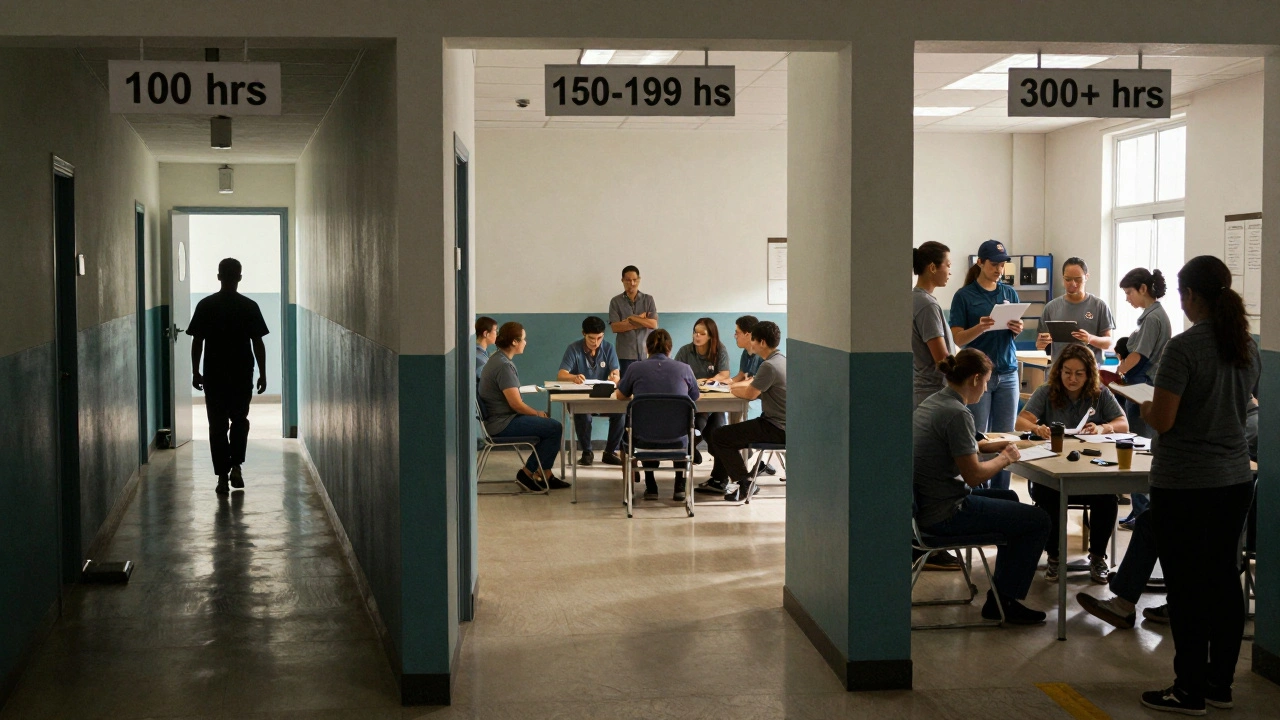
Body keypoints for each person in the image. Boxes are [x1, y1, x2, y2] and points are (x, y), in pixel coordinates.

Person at [1133, 256, 1259, 715]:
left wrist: (1145, 410)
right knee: (1224, 580)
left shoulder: (1183, 349)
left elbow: (1164, 419)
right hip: (1234, 480)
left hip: (1185, 484)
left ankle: (1188, 689)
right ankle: (1219, 684)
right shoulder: (1247, 346)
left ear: (1189, 296)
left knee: (1186, 589)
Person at [1077, 394, 1259, 633]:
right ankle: (1166, 601)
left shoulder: (1239, 425)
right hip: (1233, 511)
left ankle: (1128, 602)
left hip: (1229, 518)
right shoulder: (1249, 420)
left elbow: (1168, 447)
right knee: (1156, 519)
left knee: (1154, 521)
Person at [913, 348, 1051, 625]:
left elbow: (960, 446)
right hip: (947, 512)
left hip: (926, 505)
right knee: (1038, 520)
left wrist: (995, 445)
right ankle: (1006, 601)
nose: (987, 387)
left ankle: (1001, 594)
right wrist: (1005, 457)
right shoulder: (957, 413)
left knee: (1010, 497)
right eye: (987, 381)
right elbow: (974, 476)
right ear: (976, 379)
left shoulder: (935, 402)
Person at [1015, 344, 1128, 584]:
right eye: (1067, 372)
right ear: (1059, 371)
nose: (1072, 378)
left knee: (1107, 498)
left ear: (1089, 374)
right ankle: (1054, 558)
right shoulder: (1046, 391)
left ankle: (1097, 558)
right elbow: (1021, 421)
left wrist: (1103, 427)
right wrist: (1037, 427)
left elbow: (1122, 423)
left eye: (1079, 373)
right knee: (1047, 495)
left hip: (1090, 472)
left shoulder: (1100, 393)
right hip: (1054, 472)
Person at [187, 258, 269, 495]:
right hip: (242, 373)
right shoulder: (249, 306)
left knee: (217, 425)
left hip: (215, 374)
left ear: (219, 276)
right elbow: (258, 342)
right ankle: (236, 466)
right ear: (240, 277)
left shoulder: (206, 305)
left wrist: (195, 371)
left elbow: (197, 341)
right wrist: (263, 373)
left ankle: (222, 477)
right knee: (240, 420)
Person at [949, 239, 1024, 490]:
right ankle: (977, 490)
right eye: (994, 264)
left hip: (1008, 372)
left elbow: (1010, 333)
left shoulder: (1009, 293)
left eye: (1002, 265)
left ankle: (1001, 492)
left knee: (1006, 438)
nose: (999, 269)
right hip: (978, 376)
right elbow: (958, 338)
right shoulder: (964, 296)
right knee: (978, 435)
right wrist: (980, 327)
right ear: (980, 263)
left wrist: (1017, 329)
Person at [478, 322, 567, 493]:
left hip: (498, 419)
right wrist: (537, 413)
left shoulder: (497, 358)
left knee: (548, 427)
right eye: (524, 339)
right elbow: (516, 404)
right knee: (554, 428)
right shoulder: (504, 366)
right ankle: (527, 474)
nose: (526, 343)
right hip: (502, 423)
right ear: (514, 342)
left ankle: (544, 473)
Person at [704, 321, 786, 502]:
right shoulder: (781, 360)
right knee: (729, 434)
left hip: (776, 427)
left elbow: (749, 394)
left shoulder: (769, 366)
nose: (752, 344)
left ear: (762, 342)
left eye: (754, 340)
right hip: (783, 425)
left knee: (720, 436)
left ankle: (745, 482)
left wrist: (730, 389)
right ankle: (741, 479)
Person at [615, 329, 700, 501]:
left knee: (647, 424)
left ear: (647, 348)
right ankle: (679, 485)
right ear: (670, 349)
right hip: (678, 438)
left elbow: (620, 395)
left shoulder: (635, 368)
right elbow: (694, 397)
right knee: (676, 425)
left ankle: (651, 485)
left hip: (643, 439)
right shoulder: (684, 369)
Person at [1115, 268, 1171, 527]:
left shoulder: (1152, 319)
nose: (1127, 298)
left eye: (1129, 293)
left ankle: (1143, 513)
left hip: (1142, 386)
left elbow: (1140, 355)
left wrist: (1119, 370)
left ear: (1143, 289)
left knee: (1139, 449)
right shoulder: (1152, 316)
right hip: (1143, 385)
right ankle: (1140, 510)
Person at [557, 316, 623, 467]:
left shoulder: (608, 348)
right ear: (583, 334)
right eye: (591, 338)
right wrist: (573, 377)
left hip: (604, 397)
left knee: (621, 412)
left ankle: (610, 451)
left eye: (599, 338)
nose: (595, 342)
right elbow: (561, 375)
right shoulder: (573, 348)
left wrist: (614, 377)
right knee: (582, 414)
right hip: (582, 398)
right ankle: (587, 451)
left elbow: (616, 374)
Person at [1036, 257, 1114, 365]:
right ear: (1063, 278)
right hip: (1059, 371)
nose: (1072, 284)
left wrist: (1090, 338)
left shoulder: (1099, 306)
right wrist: (1041, 343)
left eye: (1078, 279)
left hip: (1089, 371)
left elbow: (1108, 342)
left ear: (1086, 277)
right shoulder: (1051, 307)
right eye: (1068, 279)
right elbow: (1041, 343)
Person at [674, 317, 731, 464]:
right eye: (695, 332)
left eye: (702, 333)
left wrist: (707, 382)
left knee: (717, 429)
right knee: (699, 420)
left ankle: (719, 479)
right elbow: (675, 373)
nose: (697, 336)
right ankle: (690, 449)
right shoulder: (685, 351)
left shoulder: (720, 349)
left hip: (713, 399)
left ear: (711, 335)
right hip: (692, 399)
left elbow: (724, 374)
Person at [912, 241, 957, 409]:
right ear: (932, 267)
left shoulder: (916, 299)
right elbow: (942, 359)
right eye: (948, 265)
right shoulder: (926, 304)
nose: (950, 272)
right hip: (931, 392)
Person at [609, 265, 658, 377]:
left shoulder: (648, 299)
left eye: (635, 280)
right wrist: (642, 320)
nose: (632, 283)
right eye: (628, 280)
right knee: (628, 385)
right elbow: (615, 327)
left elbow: (654, 324)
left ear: (639, 279)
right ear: (622, 280)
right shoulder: (615, 301)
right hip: (626, 354)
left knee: (647, 384)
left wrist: (632, 319)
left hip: (646, 352)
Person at [475, 316, 497, 381]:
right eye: (495, 330)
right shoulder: (479, 358)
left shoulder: (483, 354)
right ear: (486, 334)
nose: (496, 334)